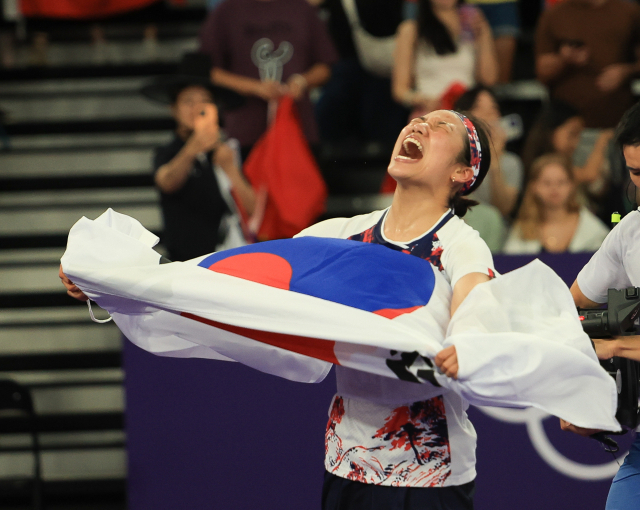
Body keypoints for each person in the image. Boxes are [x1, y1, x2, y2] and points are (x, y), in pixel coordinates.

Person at [62, 109, 495, 509]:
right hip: (347, 463)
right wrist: (115, 283)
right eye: (418, 118)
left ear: (464, 172)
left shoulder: (460, 244)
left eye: (441, 127)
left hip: (431, 475)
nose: (419, 124)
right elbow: (230, 281)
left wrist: (467, 342)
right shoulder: (339, 235)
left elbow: (475, 303)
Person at [564, 101, 640, 509]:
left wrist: (614, 346)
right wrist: (571, 392)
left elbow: (608, 343)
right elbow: (566, 310)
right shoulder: (630, 233)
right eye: (635, 172)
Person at [141, 52, 256, 261]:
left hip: (228, 261)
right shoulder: (168, 152)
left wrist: (230, 169)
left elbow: (255, 209)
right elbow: (166, 182)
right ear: (173, 109)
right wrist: (193, 148)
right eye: (188, 101)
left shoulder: (228, 152)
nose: (196, 109)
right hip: (184, 265)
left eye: (205, 101)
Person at [198, 0, 338, 160]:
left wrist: (302, 81)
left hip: (298, 129)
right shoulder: (227, 9)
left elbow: (325, 67)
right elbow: (209, 70)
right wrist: (255, 88)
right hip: (246, 131)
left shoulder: (302, 8)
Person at [392, 0, 498, 118]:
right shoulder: (411, 30)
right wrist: (422, 100)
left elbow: (489, 79)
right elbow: (400, 90)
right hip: (431, 112)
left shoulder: (473, 23)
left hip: (467, 111)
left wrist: (483, 34)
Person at [503, 153, 608, 254]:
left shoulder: (593, 228)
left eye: (561, 182)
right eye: (547, 183)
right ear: (533, 187)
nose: (554, 189)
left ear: (571, 185)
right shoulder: (522, 229)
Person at [521, 100, 614, 215]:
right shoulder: (544, 163)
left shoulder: (569, 159)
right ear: (551, 131)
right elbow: (590, 174)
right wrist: (602, 140)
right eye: (572, 134)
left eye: (578, 135)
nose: (576, 142)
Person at [454, 85, 523, 217]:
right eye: (479, 108)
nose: (489, 115)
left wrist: (494, 160)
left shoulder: (511, 162)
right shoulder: (454, 156)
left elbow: (504, 209)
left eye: (493, 108)